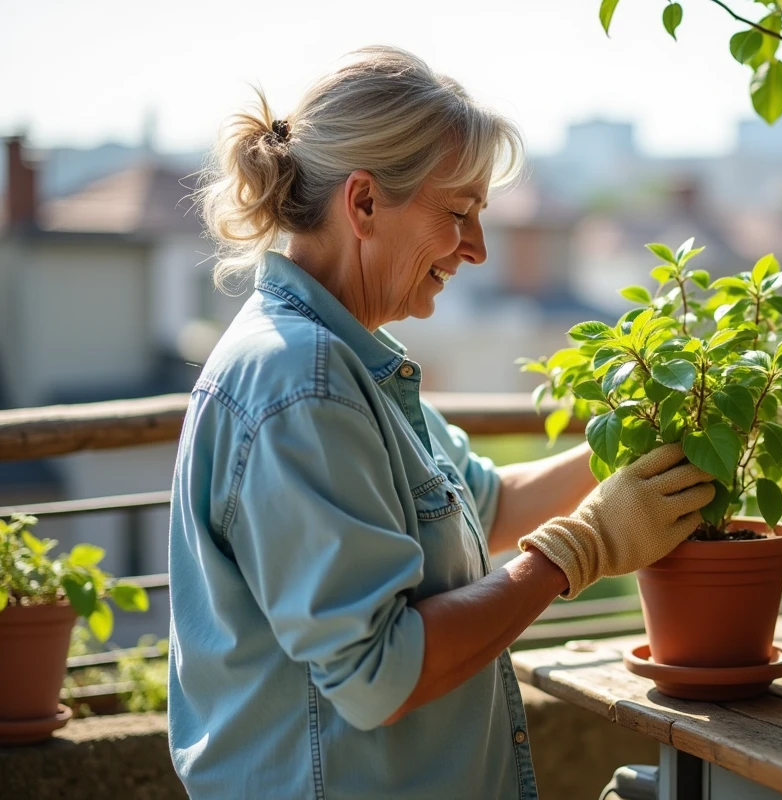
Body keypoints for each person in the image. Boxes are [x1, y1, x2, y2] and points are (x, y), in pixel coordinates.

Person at [168, 46, 714, 800]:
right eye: (457, 215)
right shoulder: (301, 381)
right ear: (362, 204)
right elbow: (377, 674)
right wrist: (581, 550)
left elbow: (483, 505)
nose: (478, 248)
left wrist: (627, 447)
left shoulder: (346, 358)